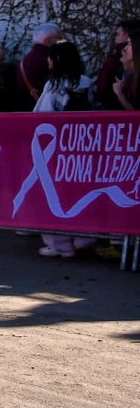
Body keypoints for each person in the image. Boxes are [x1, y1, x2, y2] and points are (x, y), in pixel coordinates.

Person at [36, 40, 97, 258]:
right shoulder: (87, 82)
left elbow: (41, 116)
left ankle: (59, 243)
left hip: (56, 148)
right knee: (81, 193)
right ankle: (84, 237)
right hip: (83, 147)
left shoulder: (53, 86)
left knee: (53, 194)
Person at [110, 29, 139, 111]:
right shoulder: (133, 75)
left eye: (129, 44)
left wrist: (120, 94)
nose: (125, 48)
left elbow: (136, 116)